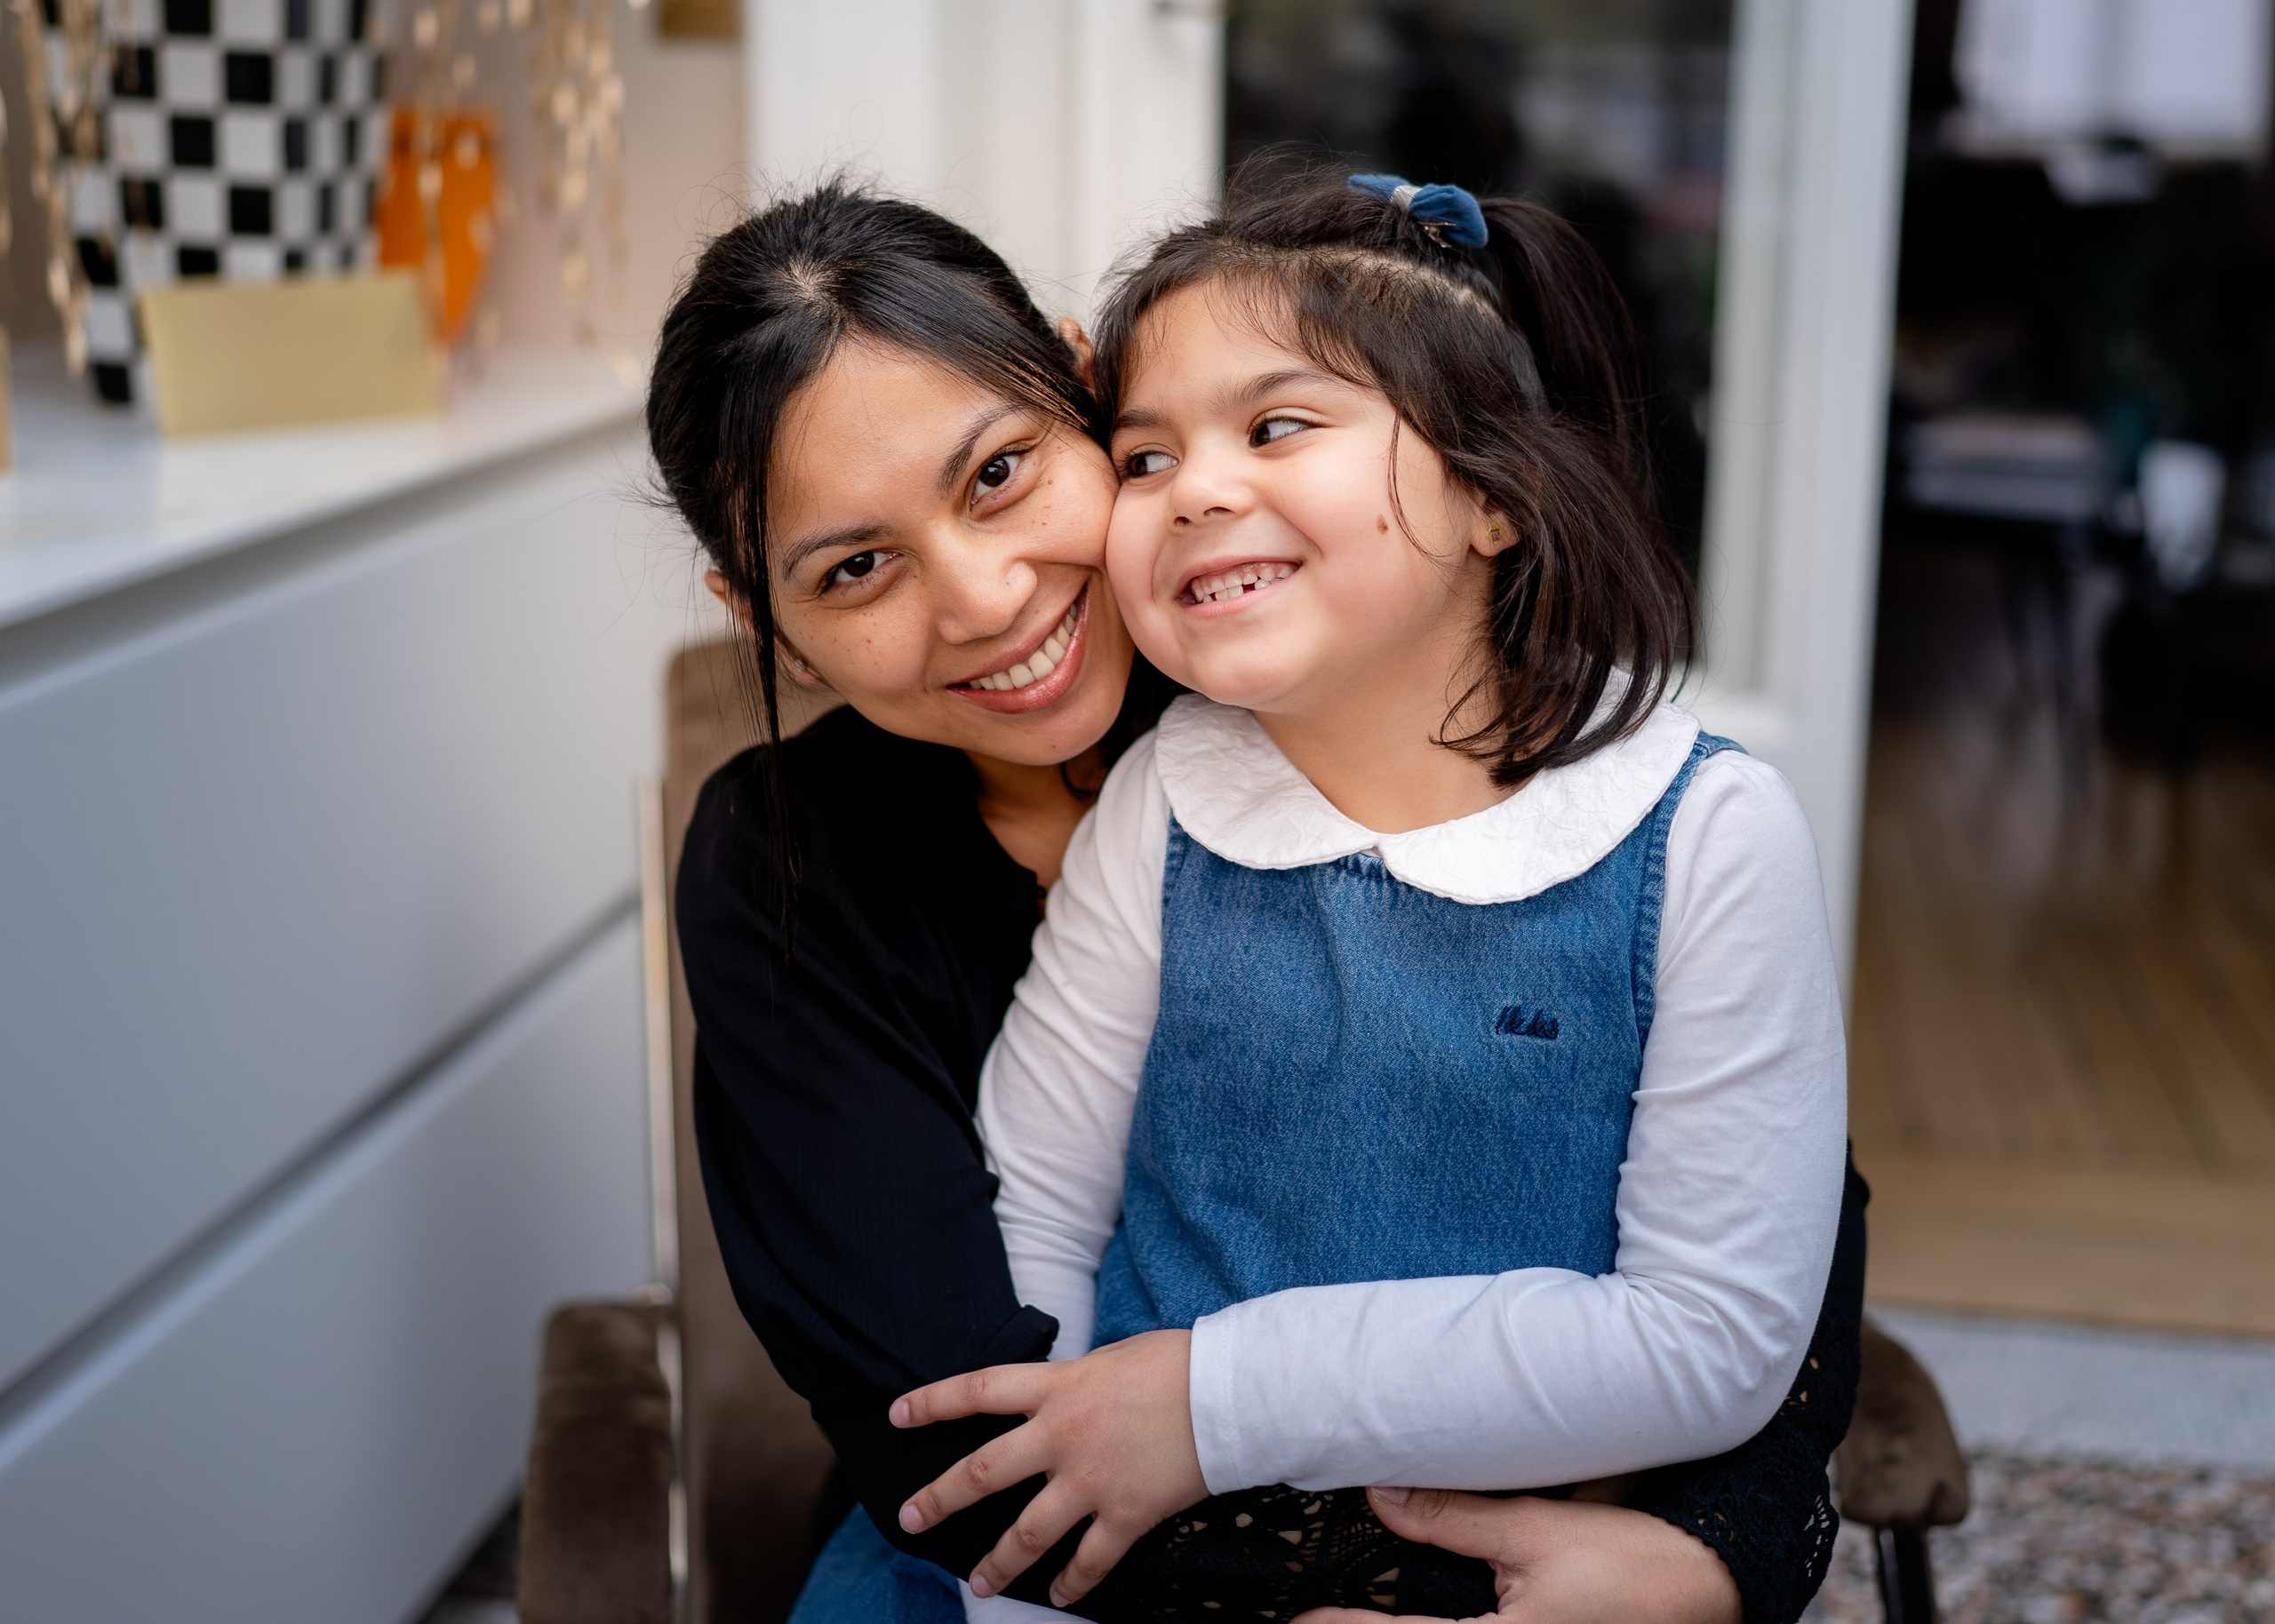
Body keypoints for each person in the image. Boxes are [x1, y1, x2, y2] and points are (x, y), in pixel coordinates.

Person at [649, 181, 1864, 1624]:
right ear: (760, 616)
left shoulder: (1316, 635)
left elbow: (1759, 1267)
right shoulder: (805, 866)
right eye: (855, 568)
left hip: (1538, 1522)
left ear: (1078, 379)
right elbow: (969, 1413)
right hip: (1084, 1567)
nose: (979, 599)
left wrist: (1706, 1559)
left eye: (999, 473)